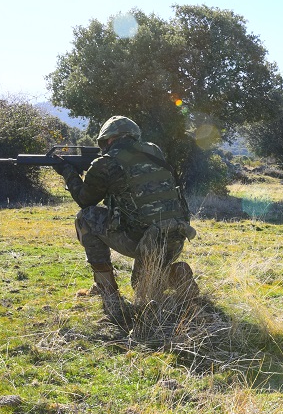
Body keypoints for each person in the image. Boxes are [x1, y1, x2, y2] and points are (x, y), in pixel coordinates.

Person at [53, 116, 198, 320]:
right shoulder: (154, 152)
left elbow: (85, 200)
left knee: (85, 218)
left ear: (107, 139)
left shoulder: (106, 163)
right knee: (143, 284)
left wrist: (68, 172)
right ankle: (176, 274)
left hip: (141, 240)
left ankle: (107, 291)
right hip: (175, 237)